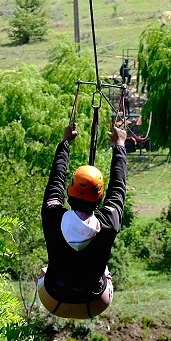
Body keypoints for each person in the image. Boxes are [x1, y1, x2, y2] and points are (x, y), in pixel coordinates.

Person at [38, 122, 128, 319]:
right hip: (94, 302)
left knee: (46, 272)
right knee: (103, 270)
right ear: (99, 196)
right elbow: (118, 188)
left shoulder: (52, 215)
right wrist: (120, 144)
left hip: (53, 298)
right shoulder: (109, 223)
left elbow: (56, 180)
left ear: (70, 191)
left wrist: (65, 143)